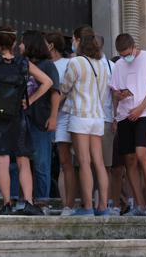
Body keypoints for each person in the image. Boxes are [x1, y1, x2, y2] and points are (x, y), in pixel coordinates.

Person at [0, 25, 52, 215]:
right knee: (23, 161)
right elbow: (48, 82)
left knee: (2, 160)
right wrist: (31, 100)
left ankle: (7, 203)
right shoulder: (23, 63)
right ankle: (28, 202)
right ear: (13, 43)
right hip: (18, 116)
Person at [110, 33, 146, 216]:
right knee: (129, 160)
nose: (126, 58)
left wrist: (141, 108)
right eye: (122, 55)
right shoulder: (118, 65)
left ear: (134, 46)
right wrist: (120, 95)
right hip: (125, 115)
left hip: (143, 113)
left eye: (127, 54)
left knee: (142, 154)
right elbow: (114, 91)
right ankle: (139, 204)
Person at [61, 27, 111, 216]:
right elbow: (105, 93)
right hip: (97, 116)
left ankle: (88, 206)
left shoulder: (76, 62)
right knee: (98, 162)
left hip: (80, 115)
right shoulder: (103, 66)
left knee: (83, 162)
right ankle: (104, 206)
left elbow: (65, 87)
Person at [20, 30, 61, 213]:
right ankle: (23, 198)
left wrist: (53, 117)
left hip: (40, 119)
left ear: (29, 44)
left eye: (22, 42)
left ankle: (42, 201)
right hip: (22, 118)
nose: (19, 46)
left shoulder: (48, 66)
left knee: (41, 162)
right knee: (20, 161)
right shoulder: (21, 64)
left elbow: (55, 92)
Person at [45, 31, 76, 216]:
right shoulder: (44, 65)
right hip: (52, 117)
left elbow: (67, 88)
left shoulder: (69, 63)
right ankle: (66, 204)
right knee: (64, 162)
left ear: (51, 45)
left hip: (68, 115)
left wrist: (55, 109)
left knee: (78, 162)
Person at [95, 35, 117, 211]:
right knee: (86, 164)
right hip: (90, 118)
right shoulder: (80, 62)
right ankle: (92, 200)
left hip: (105, 119)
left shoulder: (111, 66)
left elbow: (116, 94)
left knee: (105, 164)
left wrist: (115, 117)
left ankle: (105, 201)